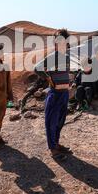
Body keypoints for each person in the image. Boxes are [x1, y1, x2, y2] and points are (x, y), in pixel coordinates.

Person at [35, 29, 72, 160]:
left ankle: (56, 143)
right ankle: (53, 150)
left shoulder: (67, 57)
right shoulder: (52, 57)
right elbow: (37, 68)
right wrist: (48, 78)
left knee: (60, 121)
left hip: (64, 94)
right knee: (51, 122)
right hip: (55, 94)